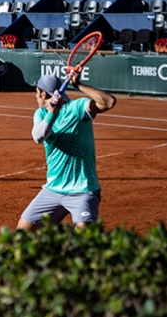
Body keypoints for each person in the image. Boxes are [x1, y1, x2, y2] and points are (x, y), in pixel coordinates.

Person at [17, 70, 117, 231]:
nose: (35, 97)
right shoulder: (41, 113)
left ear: (43, 94)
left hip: (83, 190)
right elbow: (38, 136)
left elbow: (109, 102)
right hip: (53, 189)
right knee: (23, 230)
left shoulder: (77, 108)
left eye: (36, 93)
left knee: (84, 237)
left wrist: (79, 85)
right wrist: (52, 113)